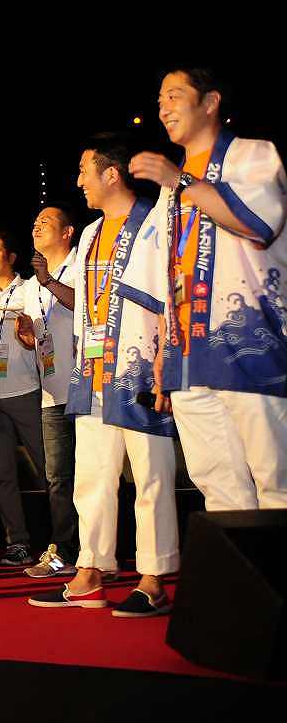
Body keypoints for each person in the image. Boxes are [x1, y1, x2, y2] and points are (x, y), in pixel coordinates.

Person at [29, 133, 179, 617]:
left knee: (151, 473)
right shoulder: (92, 232)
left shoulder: (153, 220)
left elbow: (169, 292)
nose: (79, 181)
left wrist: (167, 359)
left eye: (84, 171)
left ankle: (153, 579)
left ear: (111, 174)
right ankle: (90, 571)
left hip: (140, 367)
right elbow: (83, 301)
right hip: (92, 371)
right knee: (92, 474)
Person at [123, 67, 287, 510]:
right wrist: (163, 348)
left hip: (250, 344)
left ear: (210, 102)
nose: (163, 108)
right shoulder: (171, 187)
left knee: (276, 480)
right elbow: (170, 270)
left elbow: (259, 223)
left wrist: (180, 180)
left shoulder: (251, 155)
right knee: (218, 487)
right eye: (160, 100)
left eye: (174, 96)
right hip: (189, 356)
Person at [21, 204, 81, 578]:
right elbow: (40, 336)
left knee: (94, 473)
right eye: (35, 222)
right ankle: (64, 549)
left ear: (67, 232)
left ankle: (99, 550)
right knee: (57, 477)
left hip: (86, 387)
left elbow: (85, 305)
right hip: (51, 393)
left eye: (46, 222)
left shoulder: (82, 265)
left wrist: (49, 282)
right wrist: (29, 336)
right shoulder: (32, 285)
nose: (37, 226)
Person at [0, 230, 44, 567]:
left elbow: (41, 334)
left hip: (27, 390)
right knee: (2, 474)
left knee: (49, 468)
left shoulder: (29, 289)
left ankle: (68, 539)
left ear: (11, 257)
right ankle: (17, 541)